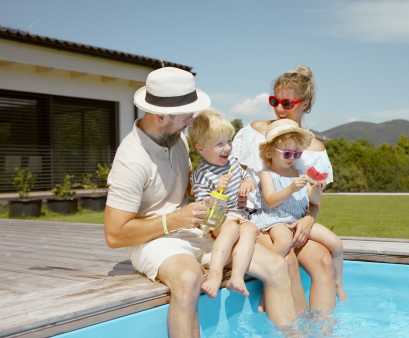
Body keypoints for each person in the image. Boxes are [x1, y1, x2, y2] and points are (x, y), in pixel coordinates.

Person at [103, 67, 297, 338]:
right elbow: (114, 234)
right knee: (188, 279)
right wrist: (172, 220)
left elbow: (190, 188)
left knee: (277, 266)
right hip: (153, 239)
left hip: (195, 229)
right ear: (161, 117)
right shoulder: (131, 161)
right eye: (187, 116)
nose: (192, 122)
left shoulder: (177, 138)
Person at [232, 65, 345, 313]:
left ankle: (323, 329)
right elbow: (233, 172)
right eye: (274, 101)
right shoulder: (256, 131)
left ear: (304, 104)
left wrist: (308, 220)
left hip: (293, 221)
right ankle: (296, 328)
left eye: (287, 102)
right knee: (289, 262)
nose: (279, 109)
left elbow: (315, 201)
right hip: (258, 219)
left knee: (325, 261)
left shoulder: (314, 148)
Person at [253, 119, 347, 301]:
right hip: (276, 219)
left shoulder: (298, 173)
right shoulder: (267, 174)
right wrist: (290, 189)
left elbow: (312, 199)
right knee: (282, 241)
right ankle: (267, 284)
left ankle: (338, 283)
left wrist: (317, 192)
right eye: (287, 154)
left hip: (298, 218)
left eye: (297, 154)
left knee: (336, 243)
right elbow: (271, 202)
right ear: (270, 151)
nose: (293, 159)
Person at [188, 109, 258, 299]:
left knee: (251, 229)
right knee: (231, 230)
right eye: (219, 144)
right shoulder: (201, 174)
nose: (227, 148)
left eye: (229, 141)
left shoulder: (232, 163)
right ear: (201, 148)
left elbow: (246, 177)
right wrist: (217, 191)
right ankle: (214, 274)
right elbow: (204, 206)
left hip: (238, 214)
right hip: (218, 218)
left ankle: (236, 276)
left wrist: (247, 182)